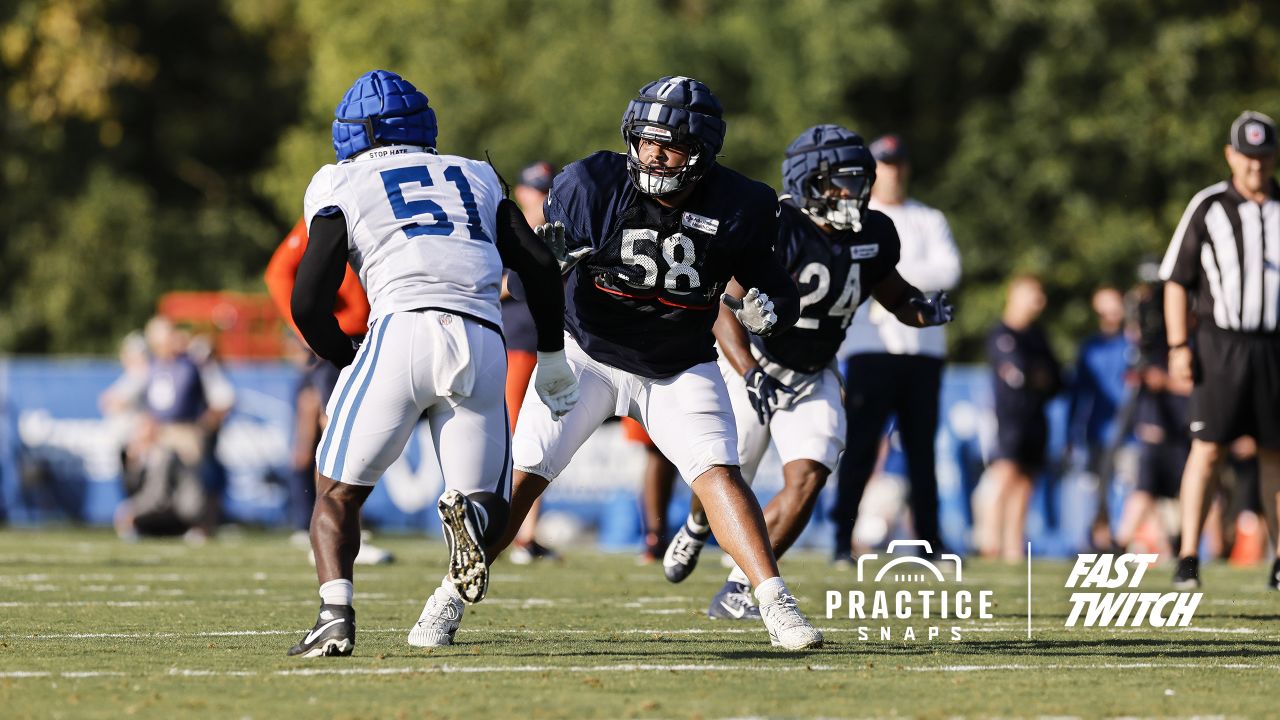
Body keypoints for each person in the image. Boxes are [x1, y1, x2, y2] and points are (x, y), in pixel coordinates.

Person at [410, 75, 823, 650]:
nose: (652, 153)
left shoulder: (741, 203)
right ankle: (446, 600)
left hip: (678, 364)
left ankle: (776, 604)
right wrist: (540, 266)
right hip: (588, 354)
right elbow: (525, 281)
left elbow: (777, 285)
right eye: (646, 139)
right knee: (524, 478)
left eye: (669, 144)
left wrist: (771, 310)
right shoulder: (591, 184)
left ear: (701, 151)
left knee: (718, 474)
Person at [285, 69, 577, 658]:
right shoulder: (476, 174)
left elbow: (307, 297)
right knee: (488, 503)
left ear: (351, 133)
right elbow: (541, 267)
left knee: (336, 492)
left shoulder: (340, 181)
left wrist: (343, 353)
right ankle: (467, 515)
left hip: (399, 327)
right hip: (482, 336)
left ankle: (335, 615)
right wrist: (550, 352)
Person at [660, 125, 954, 620]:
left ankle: (740, 587)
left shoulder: (874, 232)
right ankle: (695, 527)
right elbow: (723, 305)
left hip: (814, 371)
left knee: (809, 476)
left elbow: (897, 295)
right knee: (724, 475)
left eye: (858, 181)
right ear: (810, 183)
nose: (851, 194)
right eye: (839, 182)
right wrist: (750, 370)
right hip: (753, 364)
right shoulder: (777, 224)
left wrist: (924, 310)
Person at [1161, 110, 1280, 589]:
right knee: (1208, 448)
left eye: (1264, 156)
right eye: (1247, 156)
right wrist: (1177, 345)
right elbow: (1176, 280)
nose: (1255, 166)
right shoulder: (1209, 206)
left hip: (1272, 344)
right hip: (1220, 342)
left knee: (1275, 453)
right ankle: (1189, 554)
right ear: (1231, 156)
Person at [831, 133, 962, 561]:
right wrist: (898, 277)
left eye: (898, 162)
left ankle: (930, 541)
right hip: (869, 351)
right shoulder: (857, 216)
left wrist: (886, 271)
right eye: (885, 163)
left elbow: (949, 272)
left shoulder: (929, 218)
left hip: (923, 353)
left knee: (922, 452)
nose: (893, 170)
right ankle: (841, 538)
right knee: (861, 449)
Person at [265, 218, 392, 565]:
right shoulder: (329, 207)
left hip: (376, 336)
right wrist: (304, 328)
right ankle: (335, 533)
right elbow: (278, 273)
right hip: (340, 343)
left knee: (349, 433)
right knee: (338, 432)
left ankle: (336, 531)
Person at [981, 275, 1062, 562]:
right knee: (1004, 476)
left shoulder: (1038, 336)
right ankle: (989, 540)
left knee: (1027, 481)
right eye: (1032, 294)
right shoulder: (1001, 334)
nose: (1038, 301)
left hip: (1035, 418)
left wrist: (1040, 376)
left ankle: (1013, 545)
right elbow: (1021, 374)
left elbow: (1055, 378)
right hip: (1008, 419)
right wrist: (1036, 375)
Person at [506, 161, 561, 565]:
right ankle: (496, 525)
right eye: (535, 191)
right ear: (523, 193)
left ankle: (527, 533)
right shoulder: (507, 231)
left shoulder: (562, 229)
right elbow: (494, 283)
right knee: (509, 437)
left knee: (542, 437)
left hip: (550, 345)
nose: (541, 199)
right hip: (513, 346)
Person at [1065, 287, 1133, 548]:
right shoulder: (1090, 348)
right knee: (1098, 492)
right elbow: (1078, 394)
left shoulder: (1132, 345)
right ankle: (1098, 542)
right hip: (1098, 432)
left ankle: (1123, 541)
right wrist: (1072, 433)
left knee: (1128, 491)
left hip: (1130, 434)